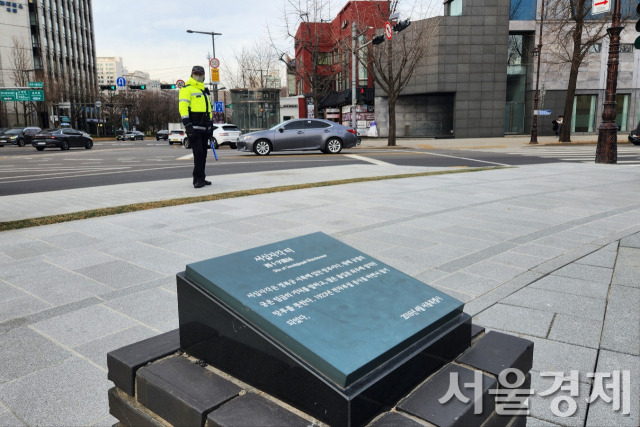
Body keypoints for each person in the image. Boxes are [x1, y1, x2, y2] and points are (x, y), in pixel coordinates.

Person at [179, 65, 213, 188]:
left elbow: (209, 110)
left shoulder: (204, 91)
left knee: (203, 153)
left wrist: (211, 126)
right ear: (192, 75)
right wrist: (187, 125)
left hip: (204, 127)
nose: (198, 76)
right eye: (196, 74)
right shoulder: (186, 89)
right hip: (194, 127)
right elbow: (183, 108)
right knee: (198, 153)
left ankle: (202, 178)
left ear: (203, 76)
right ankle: (197, 179)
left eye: (200, 74)